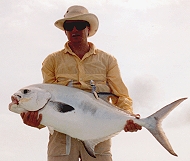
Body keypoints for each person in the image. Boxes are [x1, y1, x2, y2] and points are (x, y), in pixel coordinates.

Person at [21, 5, 142, 161]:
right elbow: (48, 101)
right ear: (64, 30)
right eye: (69, 26)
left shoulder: (107, 60)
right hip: (61, 138)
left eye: (80, 25)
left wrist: (129, 116)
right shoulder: (52, 61)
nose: (74, 30)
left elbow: (121, 96)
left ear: (88, 28)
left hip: (98, 135)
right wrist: (36, 121)